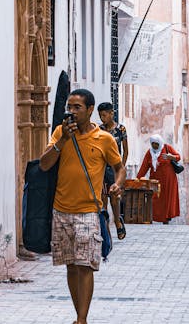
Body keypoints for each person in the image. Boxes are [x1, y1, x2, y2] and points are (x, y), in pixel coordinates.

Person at [40, 88, 126, 324]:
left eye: (77, 107)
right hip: (61, 209)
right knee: (71, 265)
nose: (72, 112)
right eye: (70, 107)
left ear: (90, 110)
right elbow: (44, 164)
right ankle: (81, 316)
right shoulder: (60, 132)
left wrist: (117, 185)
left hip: (89, 210)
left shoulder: (104, 139)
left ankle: (81, 319)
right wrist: (62, 141)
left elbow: (119, 168)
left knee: (85, 265)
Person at [98, 102, 128, 239]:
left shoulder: (120, 130)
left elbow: (125, 151)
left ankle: (117, 222)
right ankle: (105, 227)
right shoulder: (99, 130)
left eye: (104, 115)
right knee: (103, 198)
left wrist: (121, 167)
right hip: (102, 168)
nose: (102, 118)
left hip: (115, 168)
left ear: (111, 114)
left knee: (114, 198)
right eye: (100, 115)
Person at [137, 134, 180, 224]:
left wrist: (171, 157)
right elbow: (144, 166)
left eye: (156, 144)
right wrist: (138, 178)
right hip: (155, 180)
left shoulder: (167, 148)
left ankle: (166, 218)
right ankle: (154, 217)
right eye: (153, 144)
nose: (155, 146)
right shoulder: (150, 152)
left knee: (167, 199)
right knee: (155, 199)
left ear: (160, 143)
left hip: (169, 180)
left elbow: (178, 157)